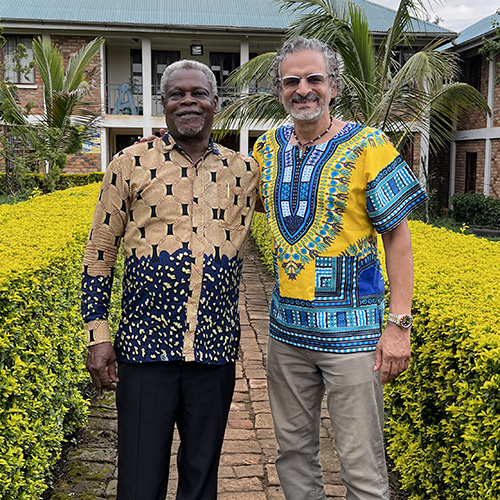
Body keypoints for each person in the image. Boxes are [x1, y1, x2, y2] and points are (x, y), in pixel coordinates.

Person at [251, 37, 428, 500]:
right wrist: (166, 144)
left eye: (314, 79)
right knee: (292, 453)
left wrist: (399, 326)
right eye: (292, 81)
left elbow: (398, 239)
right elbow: (227, 190)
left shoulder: (369, 144)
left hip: (354, 339)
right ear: (279, 90)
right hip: (286, 335)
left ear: (334, 86)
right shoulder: (267, 147)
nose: (303, 89)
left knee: (361, 462)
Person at [81, 59, 260, 500]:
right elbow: (99, 252)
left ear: (216, 103)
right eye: (176, 94)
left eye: (197, 93)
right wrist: (97, 335)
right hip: (145, 352)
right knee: (140, 481)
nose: (187, 101)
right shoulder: (130, 163)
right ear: (162, 104)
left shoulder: (246, 171)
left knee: (201, 479)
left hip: (214, 351)